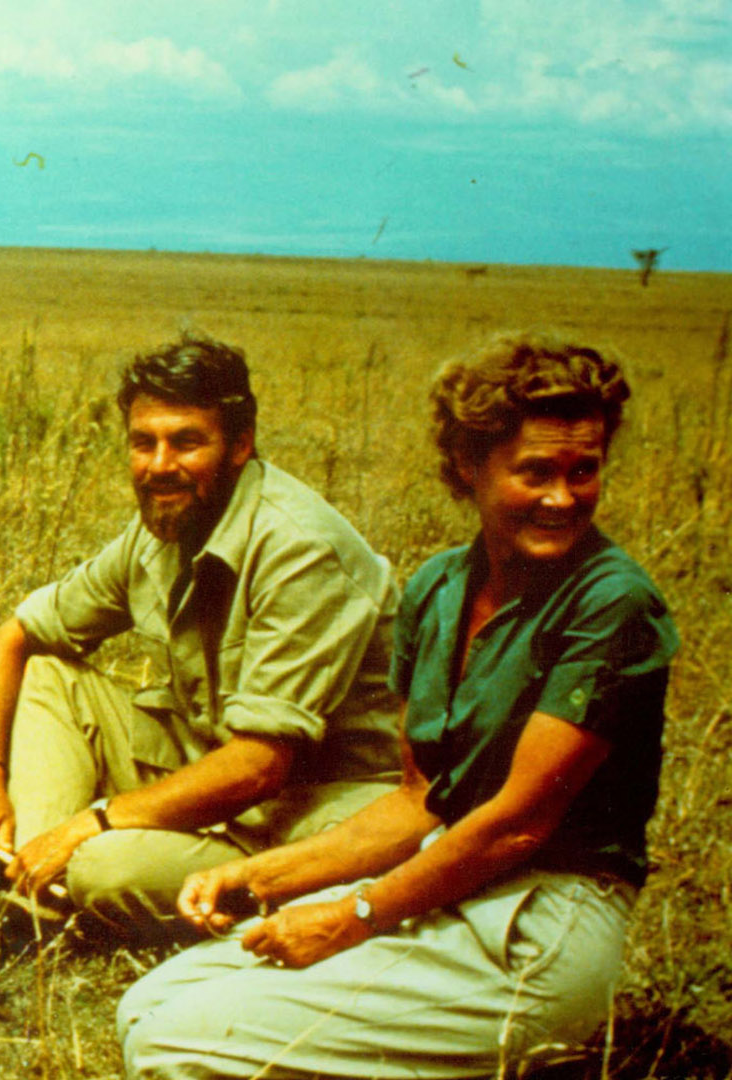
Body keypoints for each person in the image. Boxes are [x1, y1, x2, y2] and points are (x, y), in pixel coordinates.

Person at [118, 334, 678, 1078]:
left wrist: (351, 919)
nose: (562, 498)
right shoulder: (439, 589)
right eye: (535, 472)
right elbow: (420, 802)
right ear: (469, 468)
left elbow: (515, 828)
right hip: (442, 881)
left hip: (541, 917)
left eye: (585, 471)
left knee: (173, 1044)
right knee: (147, 1008)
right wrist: (266, 879)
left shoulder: (612, 604)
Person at [0, 334, 401, 947]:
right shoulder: (161, 526)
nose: (159, 465)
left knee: (102, 866)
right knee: (50, 672)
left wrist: (93, 824)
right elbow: (17, 636)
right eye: (143, 442)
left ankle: (83, 885)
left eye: (186, 441)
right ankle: (37, 893)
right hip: (211, 773)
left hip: (311, 811)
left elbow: (260, 766)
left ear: (240, 446)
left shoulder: (300, 549)